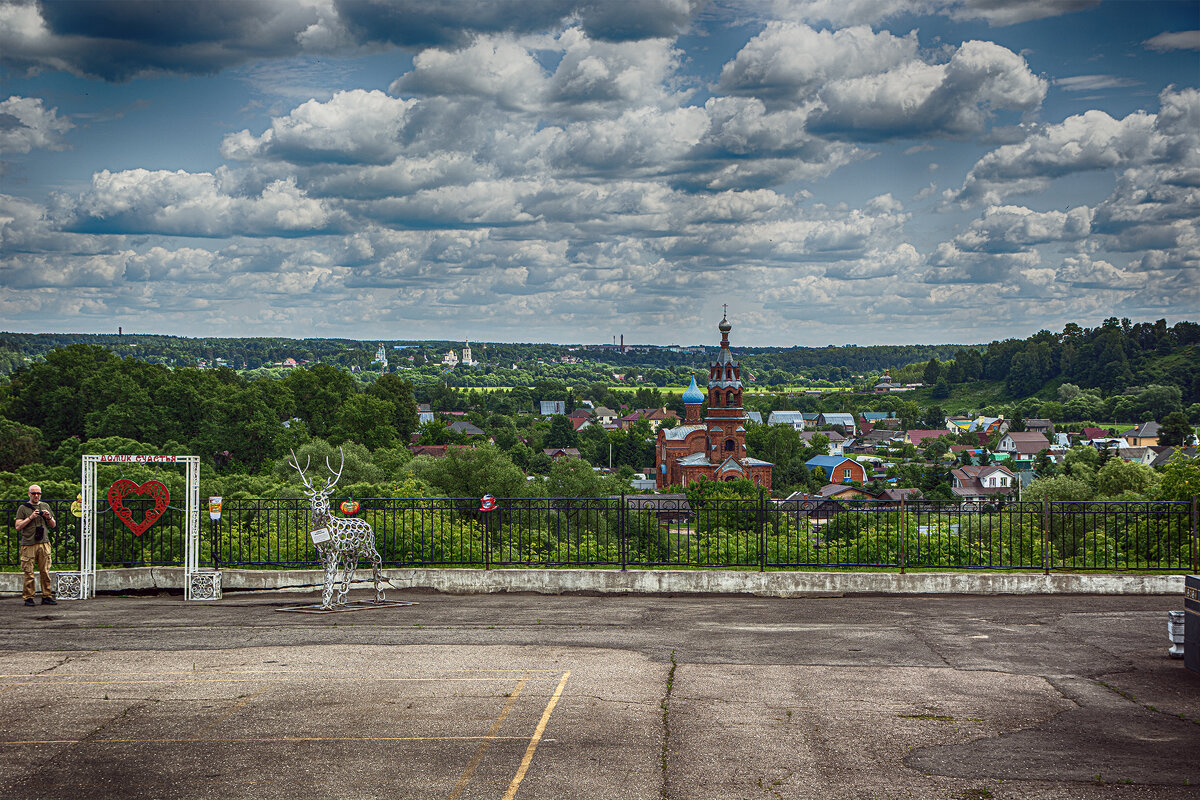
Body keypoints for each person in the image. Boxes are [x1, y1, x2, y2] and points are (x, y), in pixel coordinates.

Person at [15, 485, 57, 606]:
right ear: (29, 494)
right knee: (29, 572)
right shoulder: (23, 508)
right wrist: (31, 517)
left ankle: (47, 596)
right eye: (33, 493)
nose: (36, 495)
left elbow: (53, 525)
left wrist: (48, 517)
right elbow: (18, 526)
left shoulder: (45, 506)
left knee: (45, 571)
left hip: (44, 542)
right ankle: (28, 597)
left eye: (38, 493)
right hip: (29, 543)